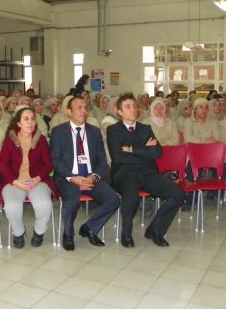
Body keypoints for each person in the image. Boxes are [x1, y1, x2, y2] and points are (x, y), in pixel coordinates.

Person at [108, 94, 183, 247]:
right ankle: (126, 233)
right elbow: (118, 158)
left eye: (134, 106)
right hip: (125, 174)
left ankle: (155, 230)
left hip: (148, 173)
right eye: (128, 107)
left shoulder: (145, 128)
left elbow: (157, 153)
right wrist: (145, 151)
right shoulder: (113, 130)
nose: (133, 109)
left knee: (177, 194)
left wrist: (131, 149)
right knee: (132, 197)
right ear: (119, 112)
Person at [50, 96, 120, 251]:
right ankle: (68, 234)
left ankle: (89, 228)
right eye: (79, 108)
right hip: (68, 178)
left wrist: (94, 177)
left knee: (113, 200)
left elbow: (102, 160)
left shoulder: (94, 131)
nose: (84, 111)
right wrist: (73, 178)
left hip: (90, 177)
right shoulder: (58, 131)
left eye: (85, 108)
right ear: (69, 112)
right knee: (72, 200)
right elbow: (56, 161)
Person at [0, 107, 56, 248]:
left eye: (32, 119)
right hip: (14, 181)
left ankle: (39, 231)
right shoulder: (10, 140)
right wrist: (15, 182)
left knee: (44, 204)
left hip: (37, 180)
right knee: (11, 206)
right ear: (18, 123)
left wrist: (37, 178)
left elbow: (48, 164)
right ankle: (18, 232)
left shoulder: (41, 139)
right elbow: (3, 166)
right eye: (26, 119)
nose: (30, 122)